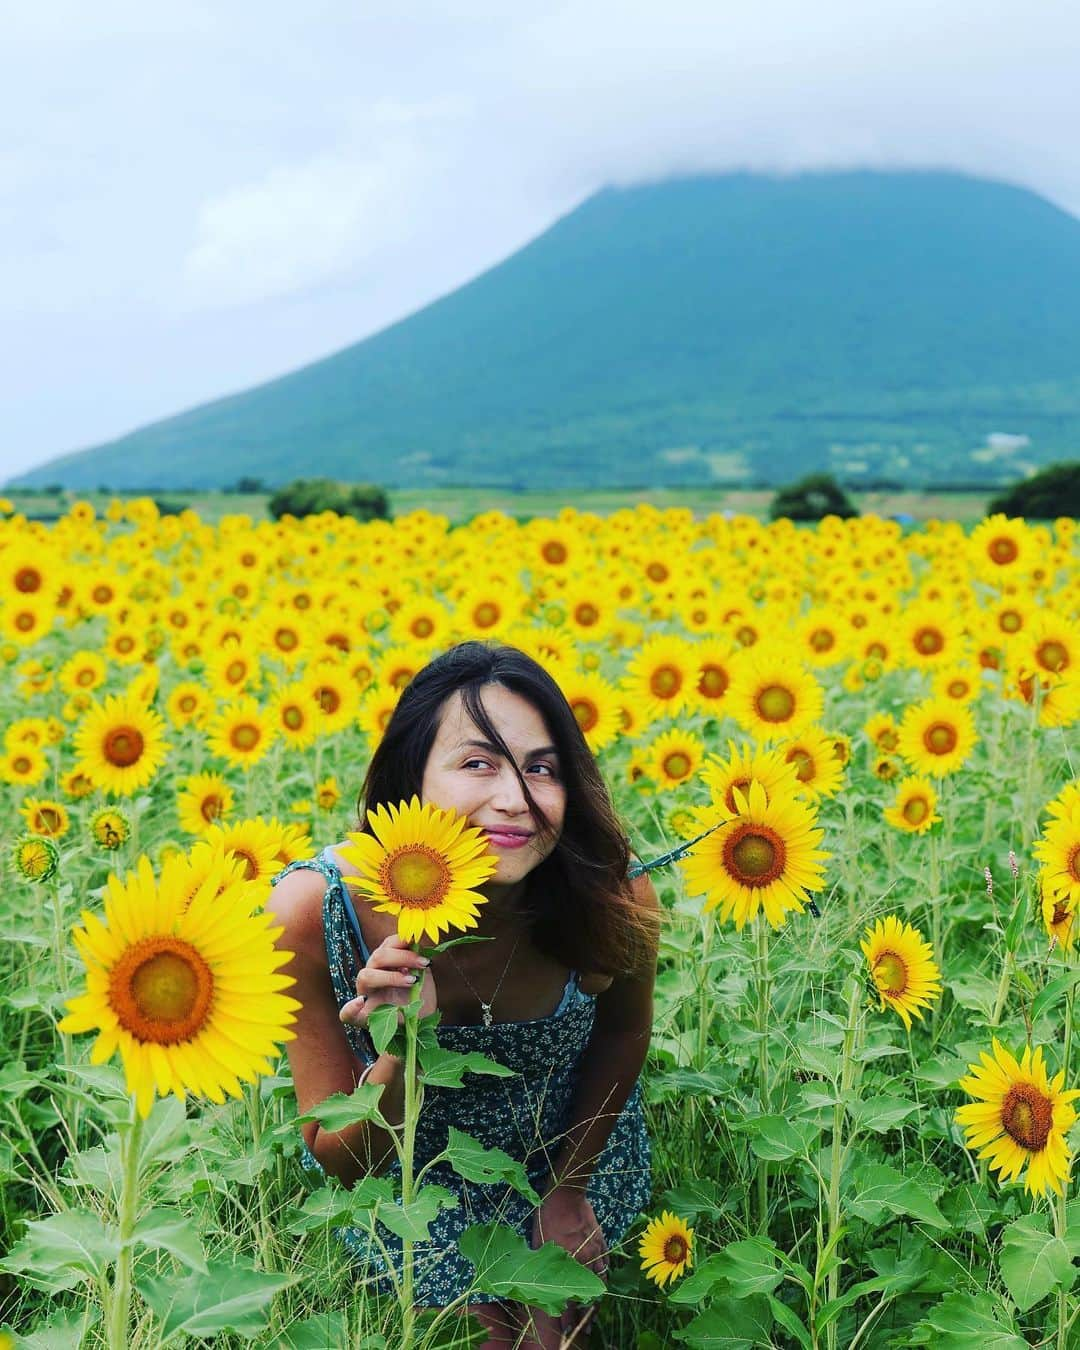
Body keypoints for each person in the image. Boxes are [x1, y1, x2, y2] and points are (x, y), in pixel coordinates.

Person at [268, 641, 659, 1349]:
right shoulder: (314, 909)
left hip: (565, 1141)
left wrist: (569, 1192)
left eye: (541, 768)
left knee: (551, 1336)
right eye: (477, 763)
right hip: (411, 1169)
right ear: (410, 779)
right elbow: (342, 1157)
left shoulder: (606, 891)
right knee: (474, 1338)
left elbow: (622, 1035)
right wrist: (402, 1048)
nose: (514, 799)